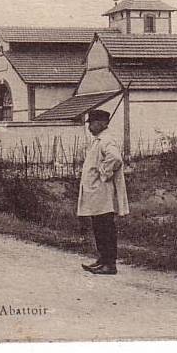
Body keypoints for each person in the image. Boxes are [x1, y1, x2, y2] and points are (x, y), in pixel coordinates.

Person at [77, 108, 129, 275]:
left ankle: (110, 263)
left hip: (103, 192)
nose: (89, 127)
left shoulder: (107, 140)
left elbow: (115, 158)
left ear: (101, 123)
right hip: (97, 193)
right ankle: (103, 260)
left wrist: (104, 173)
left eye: (91, 123)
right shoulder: (99, 140)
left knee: (105, 227)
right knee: (99, 226)